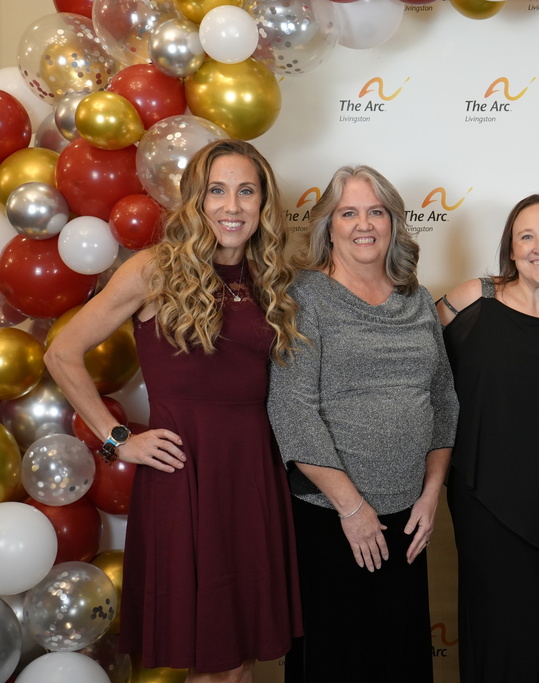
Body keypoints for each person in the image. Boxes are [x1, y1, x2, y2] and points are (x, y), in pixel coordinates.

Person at [45, 139, 304, 682]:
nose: (231, 206)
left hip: (253, 475)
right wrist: (118, 438)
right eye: (217, 191)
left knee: (242, 657)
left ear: (263, 205)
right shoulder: (153, 270)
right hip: (184, 475)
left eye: (246, 191)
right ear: (195, 201)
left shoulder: (273, 281)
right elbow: (61, 352)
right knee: (209, 659)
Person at [267, 165, 458, 683]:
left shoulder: (415, 298)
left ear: (395, 223)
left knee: (399, 659)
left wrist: (430, 493)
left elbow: (443, 400)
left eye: (376, 212)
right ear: (328, 225)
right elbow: (292, 410)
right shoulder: (305, 297)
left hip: (407, 518)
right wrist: (351, 509)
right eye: (348, 213)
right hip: (331, 518)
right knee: (337, 662)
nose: (363, 224)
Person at [436, 194, 539, 683]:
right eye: (526, 235)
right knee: (502, 630)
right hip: (485, 498)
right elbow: (414, 370)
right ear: (511, 248)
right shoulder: (469, 300)